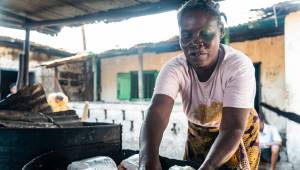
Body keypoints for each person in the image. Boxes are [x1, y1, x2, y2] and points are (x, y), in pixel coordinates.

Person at [138, 0, 260, 170]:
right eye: (187, 35)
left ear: (221, 31)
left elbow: (232, 128)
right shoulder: (174, 69)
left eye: (206, 33)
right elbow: (156, 113)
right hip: (198, 132)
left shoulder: (238, 66)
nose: (196, 42)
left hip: (236, 133)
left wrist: (207, 167)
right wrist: (147, 159)